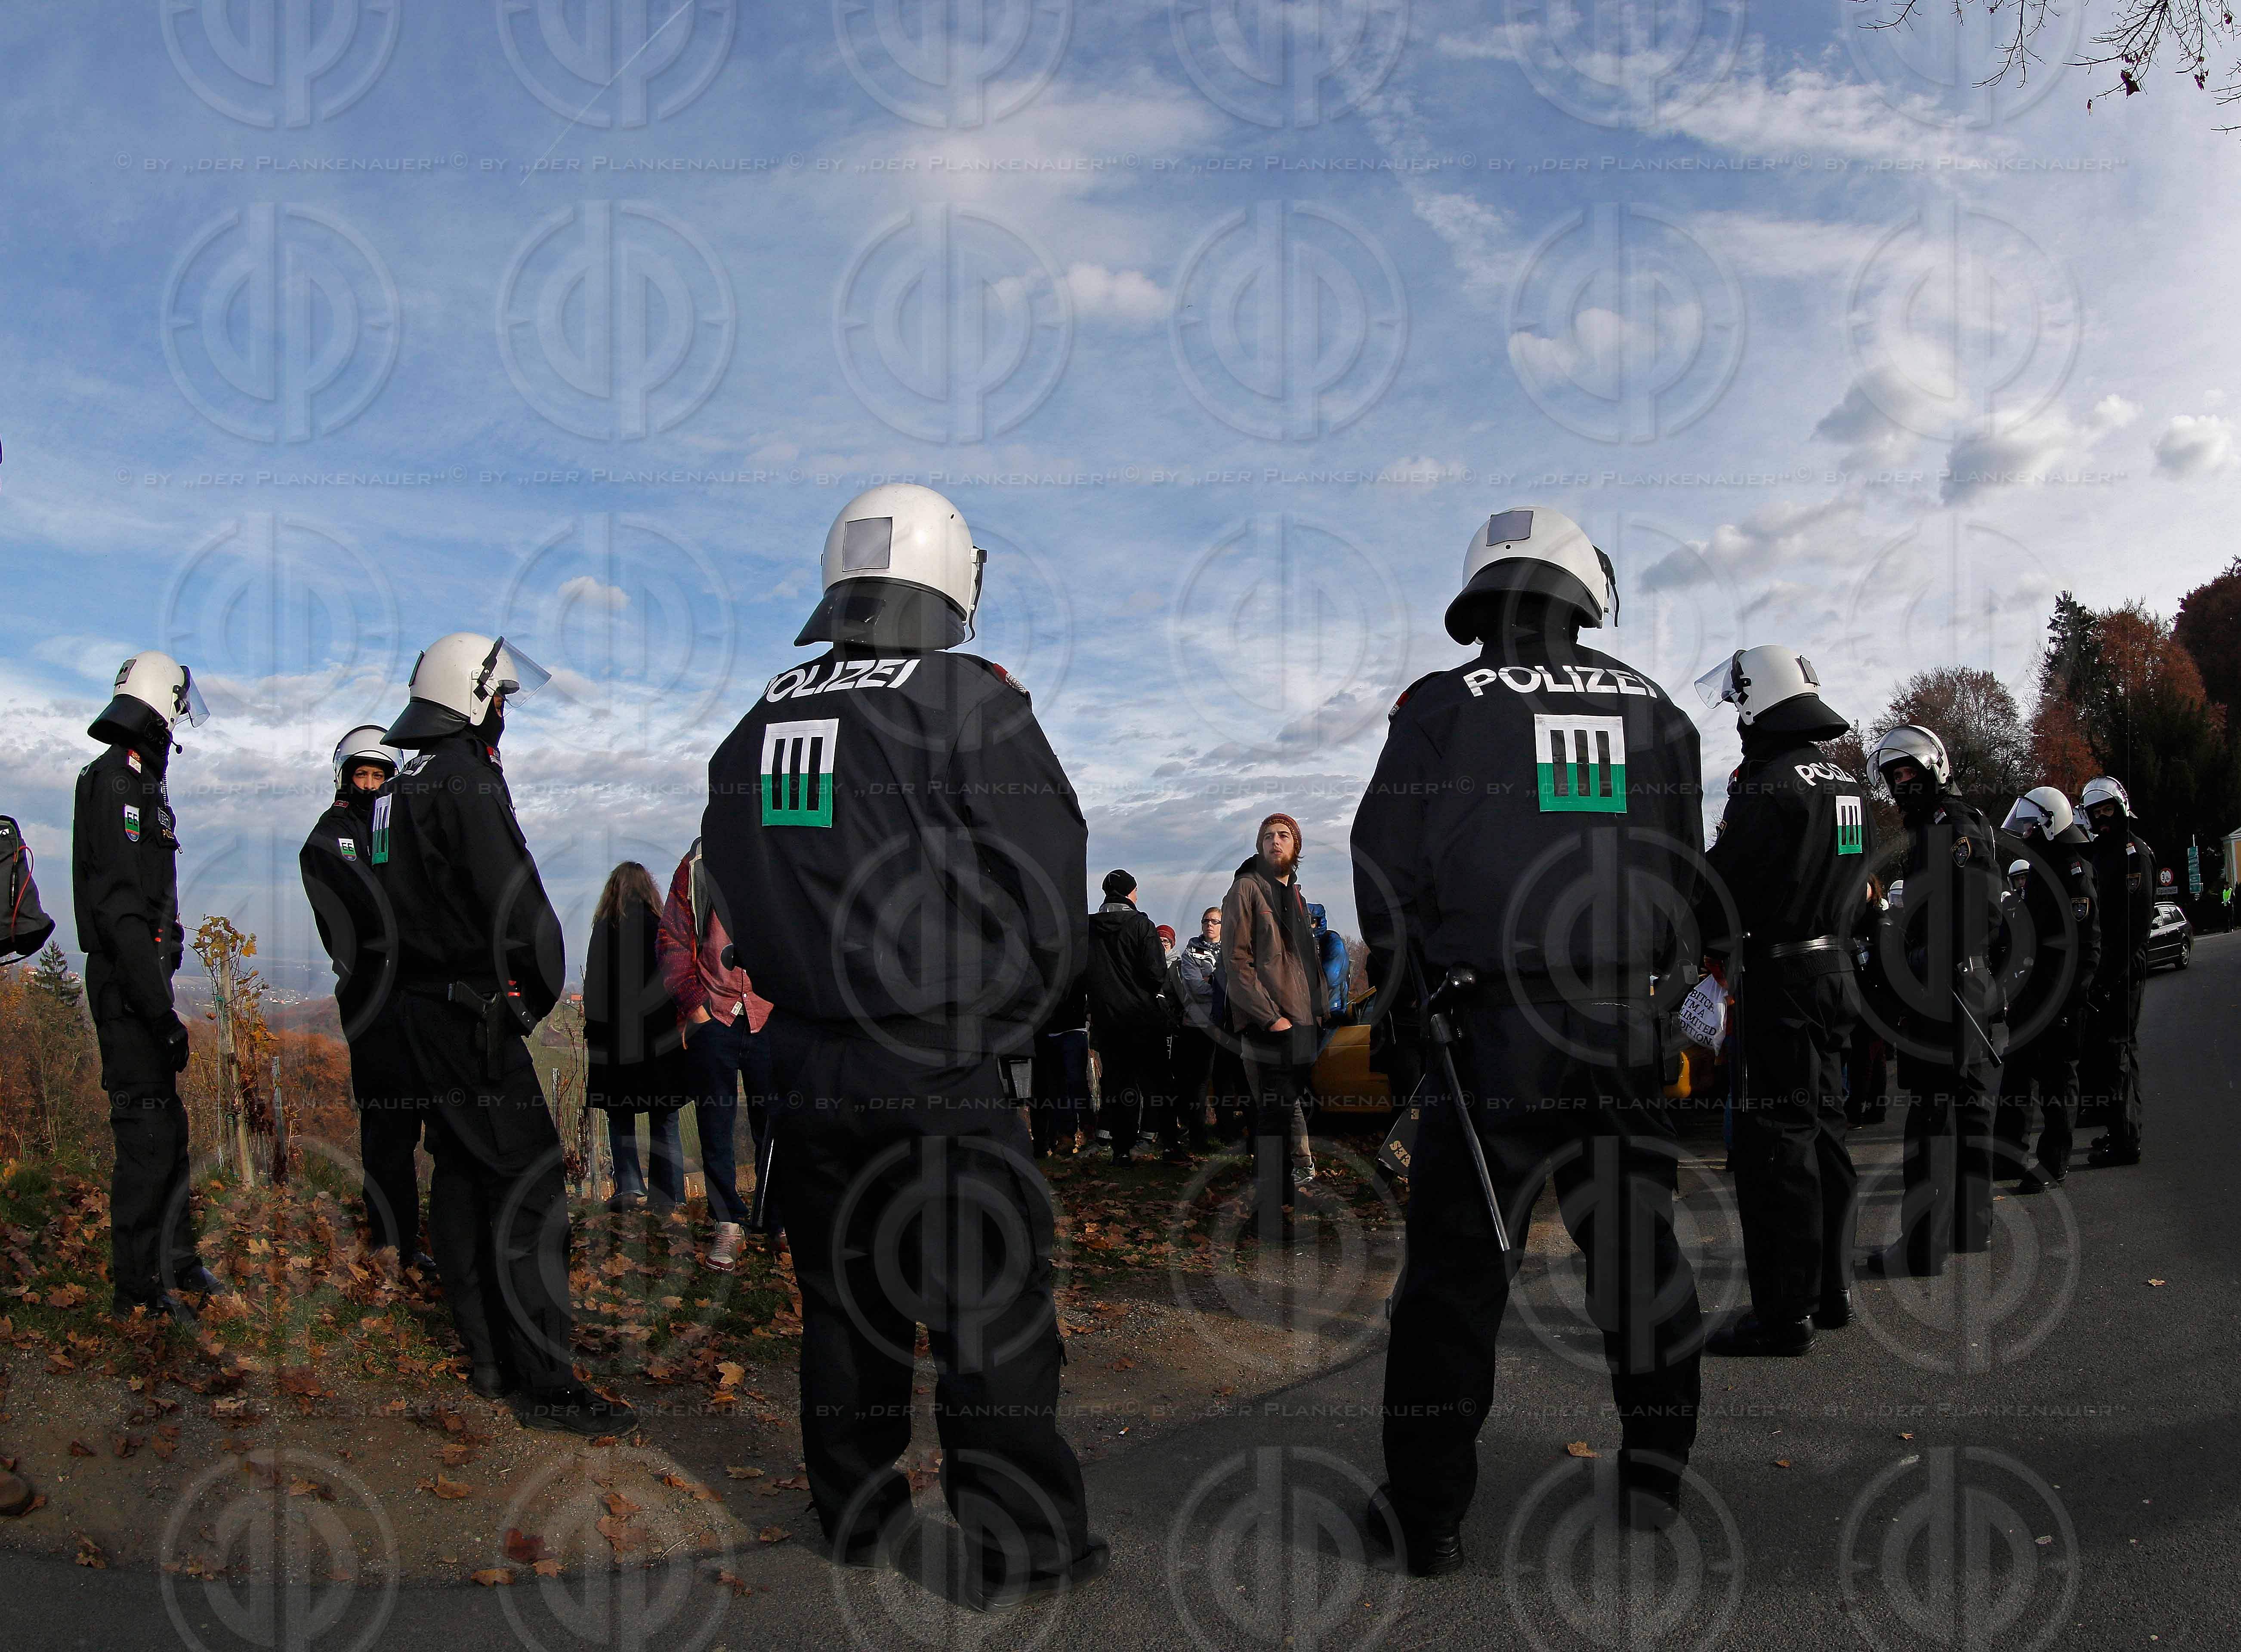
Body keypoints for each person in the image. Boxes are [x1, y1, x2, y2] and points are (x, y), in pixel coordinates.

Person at [701, 483, 1105, 1605]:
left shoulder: (761, 719)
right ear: (950, 581)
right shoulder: (966, 702)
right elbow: (1047, 895)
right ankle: (1021, 1544)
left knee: (846, 1298)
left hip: (806, 1066)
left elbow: (722, 874)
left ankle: (853, 1509)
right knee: (988, 1304)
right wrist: (1004, 1029)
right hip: (934, 1056)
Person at [1352, 506, 1707, 1566]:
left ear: (1484, 593)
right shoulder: (1659, 709)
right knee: (1641, 1254)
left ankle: (1427, 1519)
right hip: (1623, 1020)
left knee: (1457, 1278)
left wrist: (1406, 1002)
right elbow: (1684, 870)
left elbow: (1386, 863)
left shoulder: (1439, 705)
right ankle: (1655, 1478)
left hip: (1492, 1027)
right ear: (1578, 589)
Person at [377, 632, 630, 1436]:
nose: (505, 716)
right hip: (470, 1016)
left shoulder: (399, 784)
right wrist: (534, 993)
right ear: (474, 696)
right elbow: (515, 902)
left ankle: (487, 1357)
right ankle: (545, 1383)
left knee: (461, 1173)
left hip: (418, 1011)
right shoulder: (464, 779)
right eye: (502, 700)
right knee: (528, 1186)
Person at [1692, 645, 1876, 1356]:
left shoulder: (1767, 783)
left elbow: (1721, 887)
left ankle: (1783, 1313)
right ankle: (1830, 1292)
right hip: (1833, 975)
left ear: (1753, 702)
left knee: (1777, 1152)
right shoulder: (1846, 782)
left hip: (1782, 982)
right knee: (1825, 1138)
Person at [73, 651, 222, 1324]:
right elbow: (118, 910)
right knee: (145, 1138)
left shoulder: (141, 786)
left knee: (170, 1129)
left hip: (145, 980)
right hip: (128, 988)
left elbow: (150, 900)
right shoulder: (113, 784)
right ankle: (137, 1287)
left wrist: (173, 943)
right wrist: (160, 1011)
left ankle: (178, 1260)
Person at [1860, 724, 2005, 1280]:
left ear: (1933, 771)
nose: (1901, 784)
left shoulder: (1952, 826)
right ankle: (1971, 1227)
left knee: (1930, 1121)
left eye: (1908, 774)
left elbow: (1980, 914)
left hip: (1946, 995)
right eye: (1894, 777)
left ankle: (1923, 1248)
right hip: (1955, 992)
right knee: (1966, 1115)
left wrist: (1918, 965)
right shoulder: (1933, 829)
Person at [299, 724, 435, 1273]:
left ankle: (424, 1239)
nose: (373, 784)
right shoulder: (330, 837)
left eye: (382, 775)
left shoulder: (401, 832)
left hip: (415, 995)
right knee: (387, 1126)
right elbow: (362, 915)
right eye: (364, 774)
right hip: (371, 997)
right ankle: (391, 1239)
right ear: (345, 777)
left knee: (427, 1123)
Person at [657, 838, 773, 1270]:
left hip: (773, 1013)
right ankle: (728, 1222)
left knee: (777, 1125)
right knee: (715, 1126)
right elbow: (671, 941)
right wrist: (696, 1009)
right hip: (715, 1016)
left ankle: (775, 1218)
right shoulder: (698, 863)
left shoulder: (780, 849)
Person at [1992, 788, 2101, 1194]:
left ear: (2051, 822)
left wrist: (2072, 1001)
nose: (2024, 831)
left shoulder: (2074, 871)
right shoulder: (2042, 868)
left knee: (2058, 1080)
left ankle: (2054, 1163)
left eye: (2030, 824)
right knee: (2016, 1075)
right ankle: (2005, 1156)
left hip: (2061, 996)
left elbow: (2087, 945)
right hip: (2032, 994)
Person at [1222, 814, 1324, 1218]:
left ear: (1296, 847)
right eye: (1267, 836)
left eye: (1283, 836)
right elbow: (1236, 962)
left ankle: (1284, 1195)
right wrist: (1269, 1018)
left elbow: (1304, 961)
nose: (1275, 841)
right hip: (1271, 1023)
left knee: (1285, 1113)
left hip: (1304, 1022)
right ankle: (1267, 1210)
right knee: (1271, 1115)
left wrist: (1318, 1014)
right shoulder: (1246, 889)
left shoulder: (1295, 896)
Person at [585, 862, 694, 1214]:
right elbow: (676, 981)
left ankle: (629, 1188)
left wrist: (596, 1035)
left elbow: (594, 991)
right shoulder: (661, 928)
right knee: (665, 1117)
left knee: (621, 1115)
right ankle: (671, 1195)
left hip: (616, 1042)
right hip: (659, 1041)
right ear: (650, 889)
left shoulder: (603, 929)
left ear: (612, 890)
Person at [2076, 776, 2155, 1167]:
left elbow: (2132, 926)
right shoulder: (2101, 853)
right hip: (2107, 968)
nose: (2102, 818)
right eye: (2096, 813)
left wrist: (2108, 977)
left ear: (2121, 810)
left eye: (2108, 810)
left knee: (2118, 1051)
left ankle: (2126, 1141)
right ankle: (2119, 1129)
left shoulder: (2132, 855)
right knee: (2113, 1054)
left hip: (2123, 968)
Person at [1088, 869, 1181, 1166]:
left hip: (1107, 1019)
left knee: (1117, 1084)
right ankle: (1169, 1145)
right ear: (1131, 893)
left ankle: (1122, 1150)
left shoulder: (1089, 927)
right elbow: (1156, 974)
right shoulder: (1141, 925)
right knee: (1158, 1083)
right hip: (1141, 1017)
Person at [1167, 907, 1225, 1152]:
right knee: (1197, 1084)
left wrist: (1213, 982)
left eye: (1215, 921)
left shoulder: (1233, 950)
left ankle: (1226, 1132)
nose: (1209, 925)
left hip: (1228, 1026)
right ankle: (1197, 1136)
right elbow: (1194, 987)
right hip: (1198, 1025)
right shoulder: (1191, 951)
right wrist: (1220, 986)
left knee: (1225, 1082)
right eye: (1205, 921)